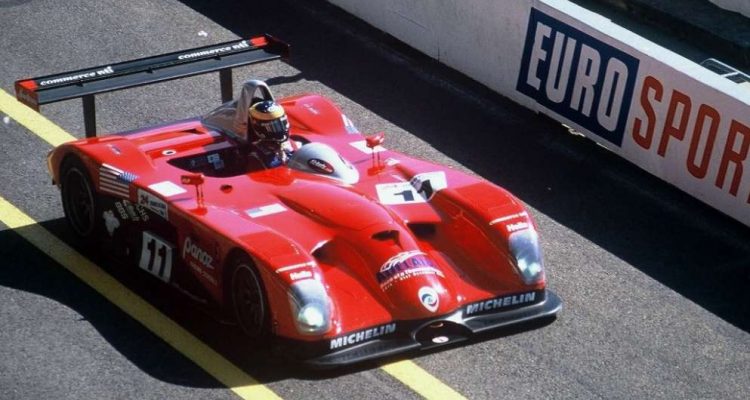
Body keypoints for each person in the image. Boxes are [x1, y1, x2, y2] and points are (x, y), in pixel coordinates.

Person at [246, 100, 297, 169]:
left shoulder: (294, 143)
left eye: (282, 123)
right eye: (274, 127)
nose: (281, 129)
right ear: (260, 128)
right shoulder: (257, 156)